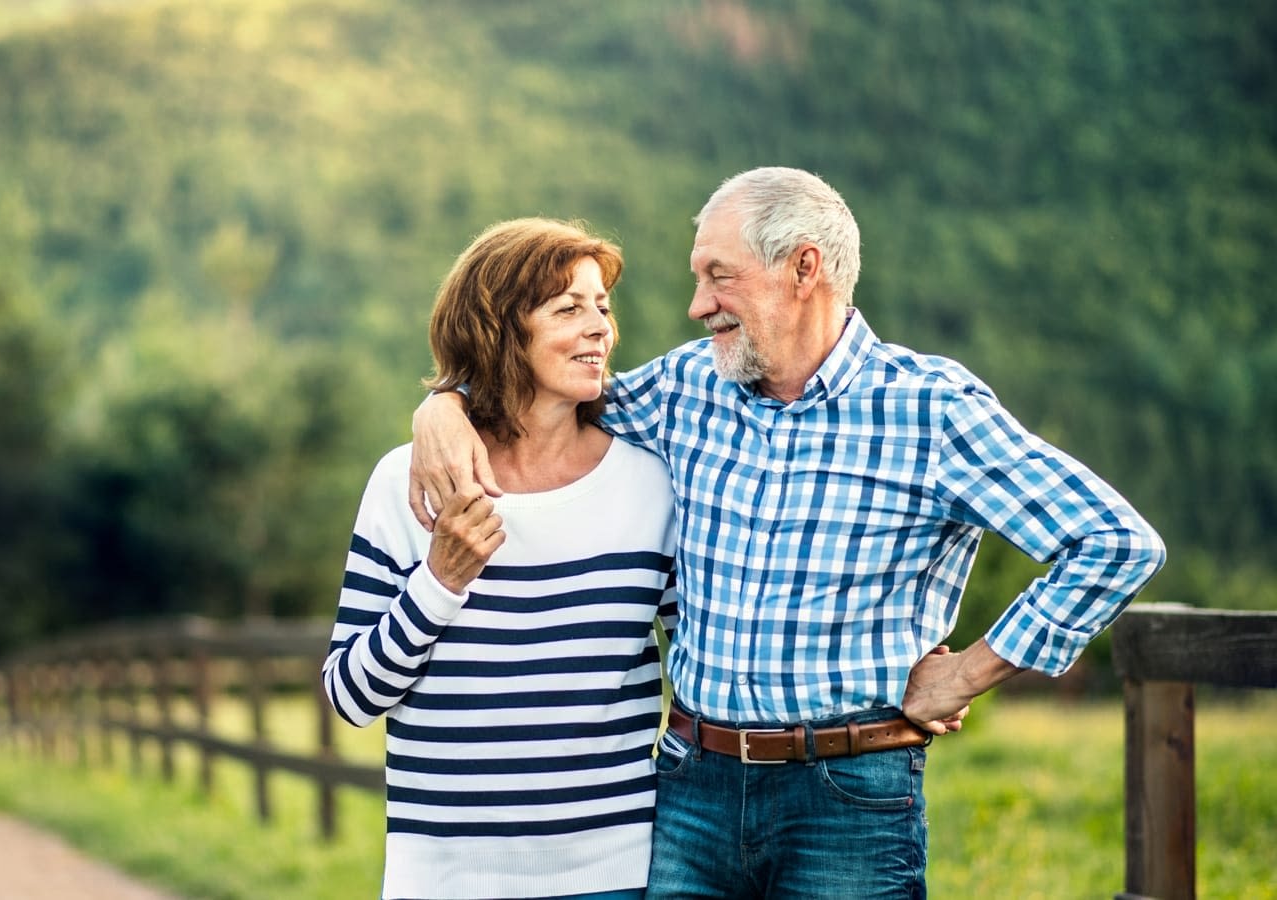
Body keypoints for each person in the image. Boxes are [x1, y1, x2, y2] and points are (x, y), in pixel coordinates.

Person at [408, 167, 1167, 898]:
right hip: (691, 791)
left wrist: (966, 673)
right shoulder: (685, 387)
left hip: (846, 799)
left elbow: (1111, 543)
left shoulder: (931, 410)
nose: (697, 305)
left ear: (805, 268)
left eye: (719, 275)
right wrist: (444, 403)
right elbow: (544, 392)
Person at [323, 218, 679, 900]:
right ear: (497, 329)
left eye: (602, 306)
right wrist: (439, 581)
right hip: (443, 882)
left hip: (614, 876)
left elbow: (701, 666)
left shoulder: (647, 485)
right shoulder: (407, 483)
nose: (600, 327)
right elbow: (351, 696)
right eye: (568, 308)